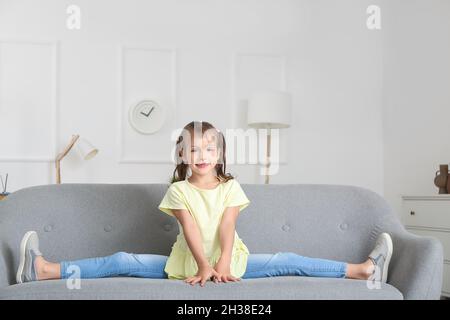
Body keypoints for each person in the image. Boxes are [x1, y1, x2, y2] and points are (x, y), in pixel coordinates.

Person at [16, 121, 393, 287]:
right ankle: (44, 270)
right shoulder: (179, 190)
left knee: (287, 261)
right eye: (193, 148)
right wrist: (202, 266)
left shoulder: (230, 186)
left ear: (220, 154)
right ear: (181, 153)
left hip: (234, 262)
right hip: (185, 265)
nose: (202, 154)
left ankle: (362, 271)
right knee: (120, 261)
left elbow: (227, 226)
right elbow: (191, 229)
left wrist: (223, 265)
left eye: (209, 148)